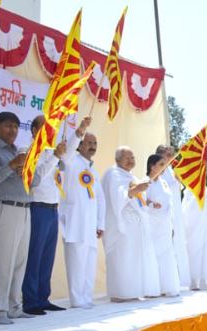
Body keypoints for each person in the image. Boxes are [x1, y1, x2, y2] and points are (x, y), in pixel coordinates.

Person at [21, 115, 88, 315]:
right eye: (45, 127)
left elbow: (67, 155)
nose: (50, 131)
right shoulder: (27, 151)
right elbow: (37, 177)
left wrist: (79, 132)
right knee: (34, 255)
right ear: (34, 130)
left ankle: (43, 297)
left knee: (47, 257)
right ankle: (30, 301)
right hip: (36, 207)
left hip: (52, 209)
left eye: (52, 128)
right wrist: (55, 156)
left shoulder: (52, 152)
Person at [0, 112, 41, 324]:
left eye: (15, 127)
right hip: (3, 207)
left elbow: (36, 181)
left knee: (19, 261)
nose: (12, 131)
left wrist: (26, 169)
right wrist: (11, 166)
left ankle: (13, 306)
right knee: (4, 261)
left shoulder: (19, 151)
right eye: (8, 126)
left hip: (24, 208)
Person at [100, 147, 160, 301]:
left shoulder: (130, 176)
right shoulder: (112, 174)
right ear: (118, 159)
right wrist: (136, 189)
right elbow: (118, 196)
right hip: (120, 225)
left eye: (132, 157)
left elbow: (139, 198)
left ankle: (132, 291)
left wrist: (147, 199)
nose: (130, 160)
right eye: (127, 157)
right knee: (122, 258)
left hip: (135, 225)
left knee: (133, 259)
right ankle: (119, 293)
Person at [59, 131, 105, 309]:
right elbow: (67, 153)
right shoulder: (71, 161)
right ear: (79, 145)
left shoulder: (93, 168)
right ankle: (77, 299)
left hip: (90, 225)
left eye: (95, 143)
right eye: (88, 142)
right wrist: (78, 134)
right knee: (76, 261)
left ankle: (86, 297)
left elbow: (100, 198)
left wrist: (100, 223)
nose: (92, 145)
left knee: (89, 261)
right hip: (75, 221)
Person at [156, 144, 190, 289]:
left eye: (172, 154)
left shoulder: (171, 170)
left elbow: (179, 188)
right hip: (162, 215)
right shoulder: (157, 170)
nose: (171, 157)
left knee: (178, 246)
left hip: (175, 213)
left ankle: (179, 280)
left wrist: (178, 178)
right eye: (168, 154)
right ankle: (161, 282)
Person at [145, 154, 180, 297]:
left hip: (165, 225)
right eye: (161, 164)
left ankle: (166, 286)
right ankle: (153, 288)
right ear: (152, 166)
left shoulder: (164, 183)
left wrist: (171, 225)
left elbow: (170, 204)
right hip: (152, 224)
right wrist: (152, 204)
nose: (164, 167)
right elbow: (140, 201)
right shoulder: (146, 182)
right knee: (153, 255)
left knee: (166, 255)